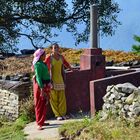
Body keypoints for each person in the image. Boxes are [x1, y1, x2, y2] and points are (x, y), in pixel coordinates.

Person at [44, 43, 72, 120]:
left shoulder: (61, 57)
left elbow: (66, 64)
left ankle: (63, 114)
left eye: (57, 47)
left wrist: (71, 69)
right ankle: (57, 115)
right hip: (52, 81)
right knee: (53, 99)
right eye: (54, 47)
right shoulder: (49, 57)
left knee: (62, 98)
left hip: (60, 80)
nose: (56, 49)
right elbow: (44, 67)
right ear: (52, 49)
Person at [32, 48, 51, 130]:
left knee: (44, 103)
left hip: (45, 85)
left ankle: (42, 121)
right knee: (39, 104)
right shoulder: (38, 65)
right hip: (41, 86)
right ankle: (39, 123)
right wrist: (42, 88)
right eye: (44, 54)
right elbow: (39, 77)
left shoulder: (42, 63)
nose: (45, 56)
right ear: (40, 56)